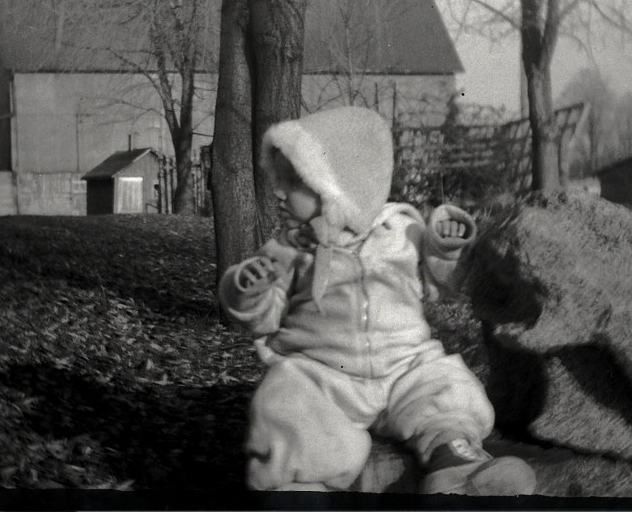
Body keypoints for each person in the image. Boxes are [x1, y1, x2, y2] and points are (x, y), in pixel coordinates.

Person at [218, 106, 536, 495]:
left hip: (404, 366)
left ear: (335, 188)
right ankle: (302, 484)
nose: (279, 193)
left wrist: (445, 247)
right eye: (278, 181)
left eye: (292, 182)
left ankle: (455, 467)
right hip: (325, 375)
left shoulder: (400, 232)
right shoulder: (287, 251)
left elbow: (441, 281)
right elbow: (262, 320)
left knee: (445, 385)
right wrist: (250, 290)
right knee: (287, 398)